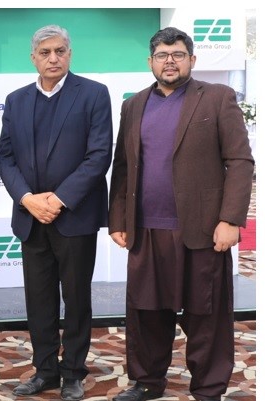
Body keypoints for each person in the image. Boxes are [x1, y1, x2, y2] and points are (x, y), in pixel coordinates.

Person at [108, 27, 254, 401]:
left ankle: (208, 389)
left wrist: (231, 220)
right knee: (145, 313)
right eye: (162, 55)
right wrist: (118, 219)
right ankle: (147, 381)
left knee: (206, 317)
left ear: (192, 59)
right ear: (150, 61)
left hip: (202, 230)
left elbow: (240, 161)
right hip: (145, 231)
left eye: (177, 54)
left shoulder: (217, 98)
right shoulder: (133, 105)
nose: (169, 61)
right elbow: (122, 167)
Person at [0, 25, 113, 401]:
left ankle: (73, 372)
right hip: (31, 218)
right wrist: (27, 199)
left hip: (74, 216)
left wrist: (59, 200)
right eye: (45, 52)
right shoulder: (16, 100)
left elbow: (99, 155)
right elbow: (5, 157)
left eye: (60, 51)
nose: (53, 58)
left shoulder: (93, 94)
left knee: (76, 299)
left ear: (70, 54)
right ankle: (45, 370)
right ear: (33, 58)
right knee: (39, 300)